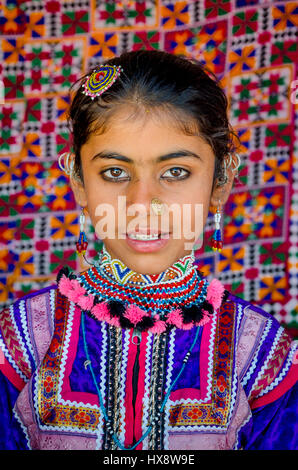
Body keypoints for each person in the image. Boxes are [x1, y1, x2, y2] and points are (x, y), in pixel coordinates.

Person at [0, 50, 297, 451]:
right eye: (114, 172)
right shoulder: (21, 342)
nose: (142, 203)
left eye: (175, 172)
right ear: (79, 184)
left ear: (220, 182)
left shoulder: (261, 356)